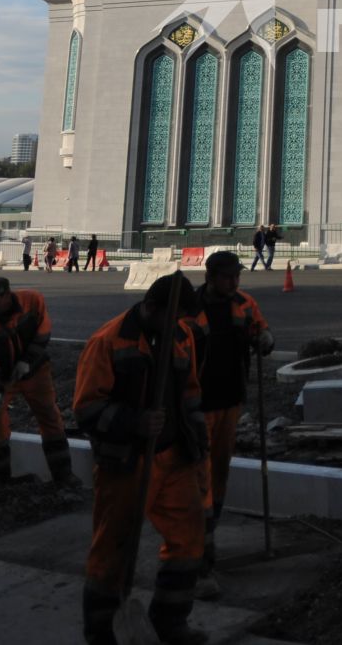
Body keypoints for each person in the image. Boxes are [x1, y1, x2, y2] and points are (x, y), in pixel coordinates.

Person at [75, 272, 210, 645]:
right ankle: (102, 630)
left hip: (174, 457)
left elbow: (191, 397)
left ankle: (170, 620)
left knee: (188, 537)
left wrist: (199, 445)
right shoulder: (108, 341)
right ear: (151, 307)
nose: (179, 326)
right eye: (173, 318)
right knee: (113, 548)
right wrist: (136, 422)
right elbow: (86, 410)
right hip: (128, 463)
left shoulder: (181, 339)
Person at [183, 250, 273, 599]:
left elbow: (260, 329)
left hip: (231, 401)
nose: (234, 282)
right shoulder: (190, 309)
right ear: (211, 277)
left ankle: (209, 532)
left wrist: (265, 339)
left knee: (219, 472)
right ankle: (201, 559)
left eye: (237, 276)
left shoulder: (244, 303)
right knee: (199, 477)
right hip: (198, 405)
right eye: (227, 277)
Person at [0, 276, 75, 485]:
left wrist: (28, 360)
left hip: (36, 372)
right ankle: (0, 480)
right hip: (3, 378)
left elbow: (44, 331)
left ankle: (63, 475)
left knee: (49, 416)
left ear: (5, 294)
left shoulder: (32, 300)